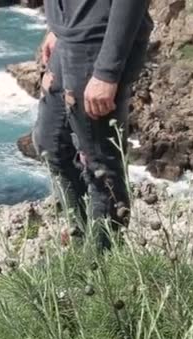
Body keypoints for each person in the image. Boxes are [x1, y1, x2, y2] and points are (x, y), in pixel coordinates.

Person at [33, 0, 154, 250]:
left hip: (97, 44)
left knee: (101, 169)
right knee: (50, 146)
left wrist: (107, 72)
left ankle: (102, 270)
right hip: (70, 35)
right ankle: (81, 249)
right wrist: (57, 27)